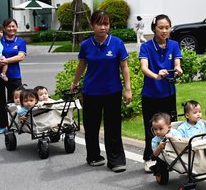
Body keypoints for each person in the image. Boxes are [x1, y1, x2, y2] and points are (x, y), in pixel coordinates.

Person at [70, 10, 132, 173]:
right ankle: (94, 156)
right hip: (91, 91)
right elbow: (82, 65)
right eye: (99, 24)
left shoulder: (117, 43)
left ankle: (116, 160)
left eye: (106, 24)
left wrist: (128, 89)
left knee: (113, 126)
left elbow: (124, 67)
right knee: (91, 126)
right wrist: (75, 82)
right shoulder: (85, 45)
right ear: (92, 25)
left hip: (112, 91)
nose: (103, 27)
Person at [139, 14, 182, 171]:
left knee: (170, 127)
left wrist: (178, 69)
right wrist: (156, 76)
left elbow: (177, 63)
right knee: (152, 129)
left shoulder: (174, 45)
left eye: (167, 27)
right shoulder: (146, 47)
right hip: (150, 95)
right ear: (154, 29)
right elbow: (144, 67)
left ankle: (170, 158)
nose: (164, 31)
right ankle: (150, 158)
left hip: (169, 93)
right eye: (161, 27)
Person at [0, 18, 26, 134]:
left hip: (13, 75)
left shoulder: (20, 41)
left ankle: (20, 122)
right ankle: (2, 125)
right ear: (4, 29)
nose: (11, 29)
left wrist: (4, 61)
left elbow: (21, 57)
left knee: (17, 99)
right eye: (8, 26)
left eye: (13, 26)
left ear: (16, 27)